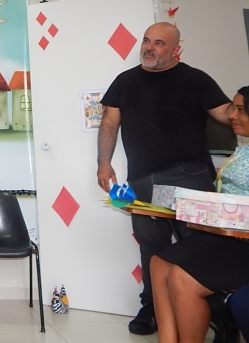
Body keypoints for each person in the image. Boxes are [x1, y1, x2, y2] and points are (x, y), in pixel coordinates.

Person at [96, 22, 231, 335]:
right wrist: (103, 164)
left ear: (176, 50)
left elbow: (227, 114)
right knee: (151, 248)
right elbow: (109, 123)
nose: (149, 47)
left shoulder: (196, 79)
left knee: (199, 247)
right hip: (142, 181)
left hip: (188, 178)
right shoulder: (125, 81)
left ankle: (217, 312)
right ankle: (152, 308)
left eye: (159, 43)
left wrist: (242, 108)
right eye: (147, 41)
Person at [151, 86, 249, 343]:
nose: (232, 116)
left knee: (181, 279)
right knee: (159, 264)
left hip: (243, 243)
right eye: (233, 108)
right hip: (228, 236)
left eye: (240, 110)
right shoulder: (243, 150)